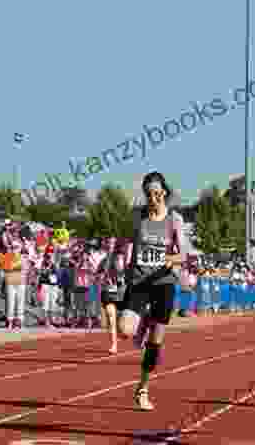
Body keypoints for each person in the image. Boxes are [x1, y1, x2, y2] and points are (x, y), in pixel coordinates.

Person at [118, 171, 188, 411]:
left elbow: (185, 254)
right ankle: (144, 319)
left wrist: (172, 258)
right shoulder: (136, 217)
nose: (153, 198)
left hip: (163, 283)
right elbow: (122, 243)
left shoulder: (174, 220)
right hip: (138, 282)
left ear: (165, 193)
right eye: (148, 194)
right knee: (125, 331)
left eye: (157, 193)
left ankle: (143, 388)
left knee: (155, 342)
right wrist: (115, 263)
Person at [97, 237, 122, 354]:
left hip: (120, 292)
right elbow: (98, 276)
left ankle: (139, 335)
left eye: (112, 243)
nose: (110, 245)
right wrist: (102, 279)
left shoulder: (120, 259)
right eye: (108, 243)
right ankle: (114, 344)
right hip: (108, 292)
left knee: (122, 321)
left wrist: (118, 279)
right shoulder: (103, 261)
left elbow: (123, 273)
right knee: (111, 317)